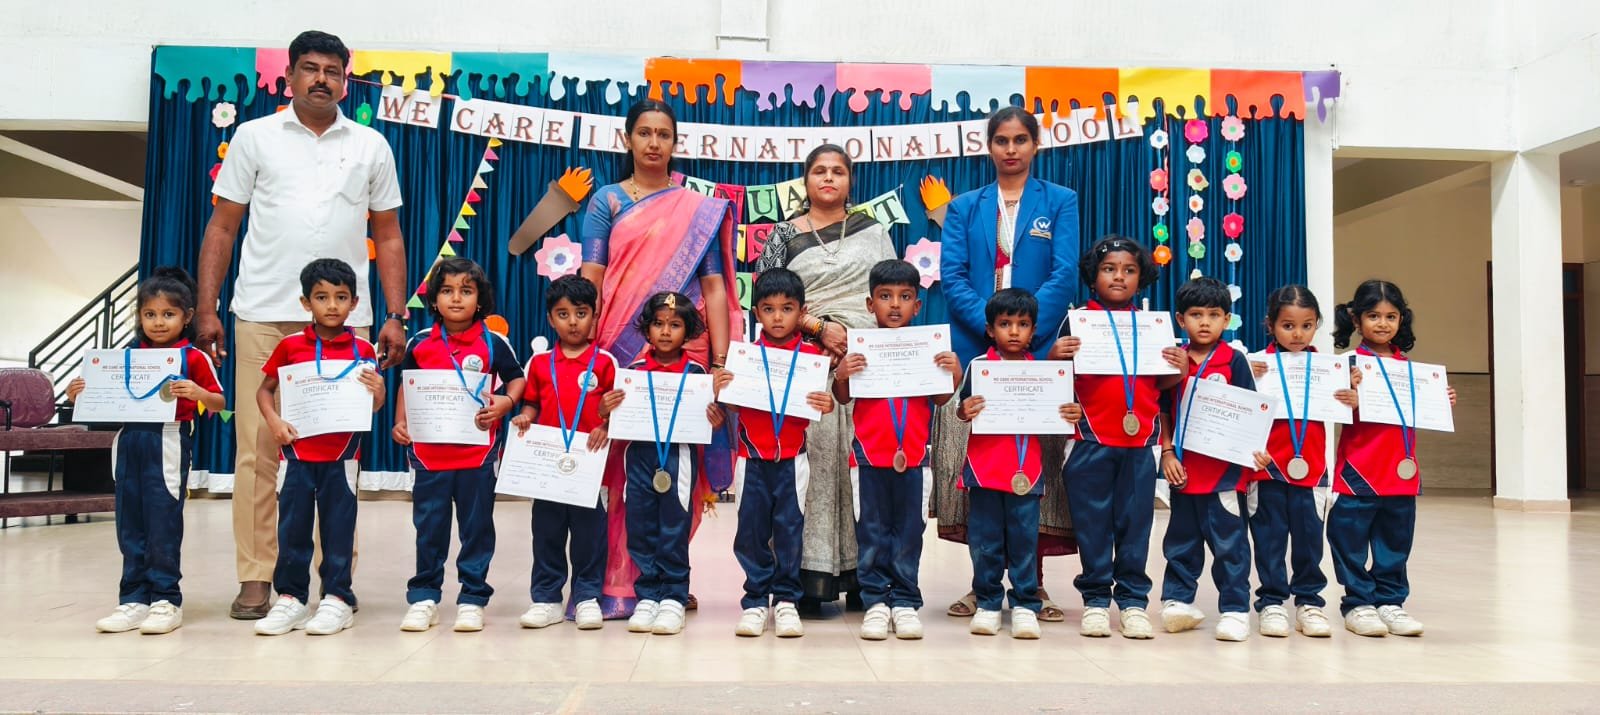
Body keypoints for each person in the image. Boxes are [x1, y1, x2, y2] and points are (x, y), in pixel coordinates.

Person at [196, 29, 407, 620]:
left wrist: (394, 315)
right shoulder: (254, 136)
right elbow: (222, 226)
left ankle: (335, 582)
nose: (321, 79)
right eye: (309, 68)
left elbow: (389, 235)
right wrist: (207, 308)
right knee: (259, 451)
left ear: (346, 80)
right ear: (288, 77)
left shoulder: (370, 145)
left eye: (332, 70)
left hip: (345, 323)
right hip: (263, 312)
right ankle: (258, 576)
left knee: (335, 455)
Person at [579, 99, 736, 619]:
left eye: (663, 134)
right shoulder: (606, 201)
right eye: (643, 133)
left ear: (674, 142)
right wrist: (589, 351)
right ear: (627, 139)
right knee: (627, 468)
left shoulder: (697, 209)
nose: (653, 142)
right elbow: (592, 277)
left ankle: (671, 578)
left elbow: (713, 288)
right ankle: (621, 581)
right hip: (622, 350)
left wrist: (719, 361)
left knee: (681, 468)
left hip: (685, 351)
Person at [932, 107, 1081, 621]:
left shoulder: (1059, 201)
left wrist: (1028, 333)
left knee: (1033, 470)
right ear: (989, 146)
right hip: (978, 350)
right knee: (982, 470)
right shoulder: (964, 207)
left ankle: (1031, 586)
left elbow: (1064, 273)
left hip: (1039, 352)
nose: (1011, 149)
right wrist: (993, 328)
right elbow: (953, 276)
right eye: (1001, 140)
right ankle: (984, 587)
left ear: (1036, 145)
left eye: (1020, 139)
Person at [754, 143, 896, 613]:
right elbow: (765, 300)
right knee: (810, 468)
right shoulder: (783, 235)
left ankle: (865, 578)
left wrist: (860, 340)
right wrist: (818, 328)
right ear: (806, 180)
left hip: (865, 364)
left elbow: (892, 291)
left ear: (850, 180)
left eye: (838, 171)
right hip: (804, 361)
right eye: (820, 171)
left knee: (861, 465)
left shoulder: (874, 232)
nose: (829, 178)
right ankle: (806, 579)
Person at [68, 268, 225, 635]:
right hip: (128, 442)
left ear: (187, 316)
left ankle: (166, 599)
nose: (158, 322)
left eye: (168, 314)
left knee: (162, 522)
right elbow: (101, 400)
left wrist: (198, 393)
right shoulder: (125, 356)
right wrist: (80, 394)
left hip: (167, 440)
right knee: (130, 523)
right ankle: (133, 599)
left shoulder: (193, 358)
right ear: (139, 316)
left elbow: (219, 403)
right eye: (150, 314)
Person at [1052, 236, 1186, 639]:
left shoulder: (1153, 327)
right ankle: (1095, 600)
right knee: (1093, 526)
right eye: (1109, 269)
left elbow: (1163, 385)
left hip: (1139, 444)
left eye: (1129, 270)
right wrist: (1054, 357)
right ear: (1093, 276)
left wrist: (1179, 369)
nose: (1118, 277)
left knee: (1136, 525)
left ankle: (1132, 602)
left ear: (1141, 278)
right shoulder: (1077, 322)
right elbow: (1055, 381)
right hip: (1089, 440)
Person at [252, 259, 385, 636]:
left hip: (342, 458)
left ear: (354, 303)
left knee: (338, 530)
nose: (332, 305)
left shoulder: (363, 348)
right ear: (305, 302)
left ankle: (337, 598)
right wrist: (274, 422)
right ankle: (291, 599)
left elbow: (373, 406)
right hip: (295, 456)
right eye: (322, 297)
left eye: (341, 297)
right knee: (292, 529)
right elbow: (264, 391)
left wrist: (379, 392)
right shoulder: (290, 346)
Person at [831, 260, 962, 640]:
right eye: (885, 296)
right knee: (871, 532)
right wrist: (841, 375)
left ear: (917, 306)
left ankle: (904, 602)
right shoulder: (860, 349)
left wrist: (953, 372)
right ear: (869, 304)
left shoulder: (927, 349)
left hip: (915, 460)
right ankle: (875, 602)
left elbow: (941, 399)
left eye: (905, 297)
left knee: (909, 532)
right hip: (868, 459)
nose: (894, 305)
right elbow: (843, 397)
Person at [392, 258, 524, 633]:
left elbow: (517, 379)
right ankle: (424, 597)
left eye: (466, 291)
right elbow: (407, 385)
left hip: (477, 457)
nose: (455, 298)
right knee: (429, 529)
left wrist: (506, 402)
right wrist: (401, 421)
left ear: (480, 300)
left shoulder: (493, 342)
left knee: (476, 529)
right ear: (434, 299)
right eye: (447, 291)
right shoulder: (419, 342)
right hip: (429, 458)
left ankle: (472, 598)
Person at [1329, 280, 1456, 637]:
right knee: (1349, 539)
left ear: (1402, 319)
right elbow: (1327, 408)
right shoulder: (1347, 365)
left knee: (1395, 542)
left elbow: (1419, 411)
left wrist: (1440, 398)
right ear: (1356, 320)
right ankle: (1358, 604)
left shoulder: (1410, 369)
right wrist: (1348, 397)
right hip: (1359, 470)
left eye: (1391, 316)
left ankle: (1390, 602)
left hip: (1401, 471)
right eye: (1373, 316)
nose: (1383, 324)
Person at [954, 289, 1083, 640]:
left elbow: (1061, 412)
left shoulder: (1044, 373)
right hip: (983, 472)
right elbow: (962, 411)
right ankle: (988, 603)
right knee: (985, 543)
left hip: (1027, 472)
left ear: (1034, 330)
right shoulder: (978, 368)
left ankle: (1026, 604)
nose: (1014, 331)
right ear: (990, 329)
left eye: (1022, 324)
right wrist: (964, 411)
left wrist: (1071, 413)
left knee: (1025, 541)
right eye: (1005, 324)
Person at [716, 268, 835, 638]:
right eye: (769, 309)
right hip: (751, 461)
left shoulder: (812, 357)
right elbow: (732, 406)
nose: (778, 317)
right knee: (750, 533)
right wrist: (723, 389)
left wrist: (827, 403)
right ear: (757, 313)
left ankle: (786, 600)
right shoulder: (745, 357)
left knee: (789, 531)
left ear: (802, 312)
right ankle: (754, 600)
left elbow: (820, 404)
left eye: (787, 309)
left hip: (793, 462)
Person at [1244, 285, 1357, 639]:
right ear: (1270, 325)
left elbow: (1349, 408)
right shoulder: (1255, 364)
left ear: (1317, 325)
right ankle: (1272, 602)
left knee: (1310, 541)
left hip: (1312, 471)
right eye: (1288, 325)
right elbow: (1241, 413)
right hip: (1267, 468)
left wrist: (1353, 393)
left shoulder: (1329, 369)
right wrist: (1245, 376)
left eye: (1307, 326)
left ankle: (1309, 602)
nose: (1297, 334)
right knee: (1269, 539)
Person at [1156, 277, 1264, 642]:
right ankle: (1177, 601)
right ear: (1180, 319)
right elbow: (1164, 410)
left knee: (1230, 545)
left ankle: (1234, 609)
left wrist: (1256, 452)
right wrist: (1167, 452)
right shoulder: (1173, 360)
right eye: (1196, 315)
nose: (1205, 322)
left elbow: (1252, 411)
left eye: (1214, 315)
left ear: (1227, 319)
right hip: (1183, 471)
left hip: (1225, 475)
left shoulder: (1235, 361)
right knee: (1181, 541)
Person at [512, 275, 619, 631]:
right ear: (550, 318)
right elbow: (531, 404)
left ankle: (587, 597)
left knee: (590, 537)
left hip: (590, 469)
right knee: (547, 534)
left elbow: (616, 413)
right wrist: (525, 419)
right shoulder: (540, 363)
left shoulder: (605, 363)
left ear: (594, 316)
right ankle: (546, 599)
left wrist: (606, 425)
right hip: (548, 470)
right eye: (563, 314)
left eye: (581, 313)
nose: (573, 322)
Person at [618, 292, 725, 636]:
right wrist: (610, 408)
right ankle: (648, 595)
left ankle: (674, 598)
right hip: (639, 457)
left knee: (674, 528)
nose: (665, 332)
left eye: (675, 325)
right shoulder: (633, 373)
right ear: (647, 329)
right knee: (640, 527)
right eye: (658, 324)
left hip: (678, 458)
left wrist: (714, 419)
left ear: (688, 331)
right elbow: (618, 418)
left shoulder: (697, 374)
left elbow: (708, 422)